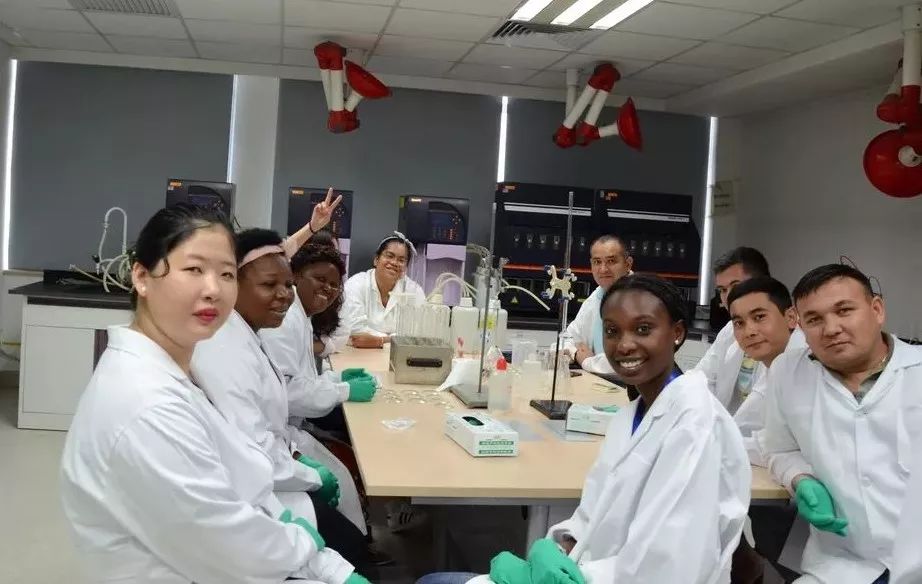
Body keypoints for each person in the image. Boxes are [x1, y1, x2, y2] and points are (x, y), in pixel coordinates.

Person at [60, 204, 364, 584]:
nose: (213, 290)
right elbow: (229, 545)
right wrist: (307, 548)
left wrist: (296, 536)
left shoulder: (173, 375)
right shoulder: (147, 405)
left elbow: (237, 472)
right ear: (141, 276)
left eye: (226, 274)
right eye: (193, 270)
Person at [421, 275, 752, 584]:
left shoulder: (696, 423)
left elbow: (671, 564)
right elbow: (593, 514)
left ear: (677, 332)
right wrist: (560, 546)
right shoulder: (630, 416)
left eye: (643, 329)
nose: (624, 344)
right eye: (612, 331)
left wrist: (568, 577)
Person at [191, 228, 369, 572]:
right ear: (232, 283)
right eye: (269, 285)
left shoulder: (248, 332)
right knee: (346, 542)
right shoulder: (225, 348)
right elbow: (252, 445)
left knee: (347, 530)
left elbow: (281, 393)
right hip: (254, 492)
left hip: (274, 464)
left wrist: (336, 382)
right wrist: (310, 475)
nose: (284, 295)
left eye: (286, 285)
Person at [763, 264, 922, 583]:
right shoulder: (787, 372)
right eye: (814, 319)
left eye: (844, 310)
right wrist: (799, 478)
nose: (831, 328)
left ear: (877, 310)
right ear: (800, 327)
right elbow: (779, 450)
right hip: (841, 565)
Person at [726, 276, 804, 466]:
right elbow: (745, 424)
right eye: (739, 323)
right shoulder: (774, 363)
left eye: (759, 317)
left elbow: (778, 445)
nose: (749, 332)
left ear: (791, 317)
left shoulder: (806, 364)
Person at [693, 246, 772, 412]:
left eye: (736, 285)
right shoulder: (729, 330)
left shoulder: (787, 334)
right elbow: (701, 379)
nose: (728, 296)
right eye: (722, 290)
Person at [562, 234, 632, 374]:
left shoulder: (642, 300)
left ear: (628, 264)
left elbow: (628, 361)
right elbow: (567, 338)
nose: (603, 269)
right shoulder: (596, 297)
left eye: (611, 261)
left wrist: (587, 361)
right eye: (597, 262)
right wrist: (573, 352)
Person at [342, 231, 425, 348]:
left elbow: (418, 332)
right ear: (376, 260)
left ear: (406, 267)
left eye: (401, 260)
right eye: (389, 256)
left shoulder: (414, 291)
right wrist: (394, 339)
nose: (394, 263)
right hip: (358, 354)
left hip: (400, 355)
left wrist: (379, 341)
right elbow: (355, 331)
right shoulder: (356, 284)